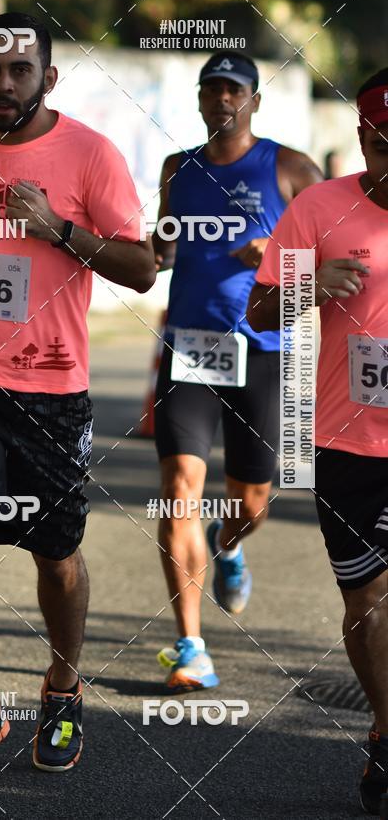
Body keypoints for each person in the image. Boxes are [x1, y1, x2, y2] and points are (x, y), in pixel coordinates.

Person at [0, 11, 155, 794]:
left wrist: (56, 226)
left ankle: (62, 686)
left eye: (20, 71)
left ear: (47, 78)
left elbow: (140, 267)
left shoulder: (91, 154)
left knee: (56, 558)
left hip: (54, 388)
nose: (3, 83)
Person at [152, 50, 323, 690]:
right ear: (200, 100)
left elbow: (332, 241)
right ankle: (190, 644)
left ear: (254, 101)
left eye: (235, 90)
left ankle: (231, 541)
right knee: (177, 496)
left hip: (263, 349)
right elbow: (162, 248)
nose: (223, 99)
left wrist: (280, 251)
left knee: (252, 502)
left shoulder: (290, 167)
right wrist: (149, 248)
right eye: (213, 89)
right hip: (189, 348)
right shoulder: (178, 168)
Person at [247, 68, 388, 816]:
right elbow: (262, 310)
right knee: (365, 602)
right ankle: (386, 725)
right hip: (348, 441)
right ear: (365, 137)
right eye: (387, 144)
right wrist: (310, 284)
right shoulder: (318, 207)